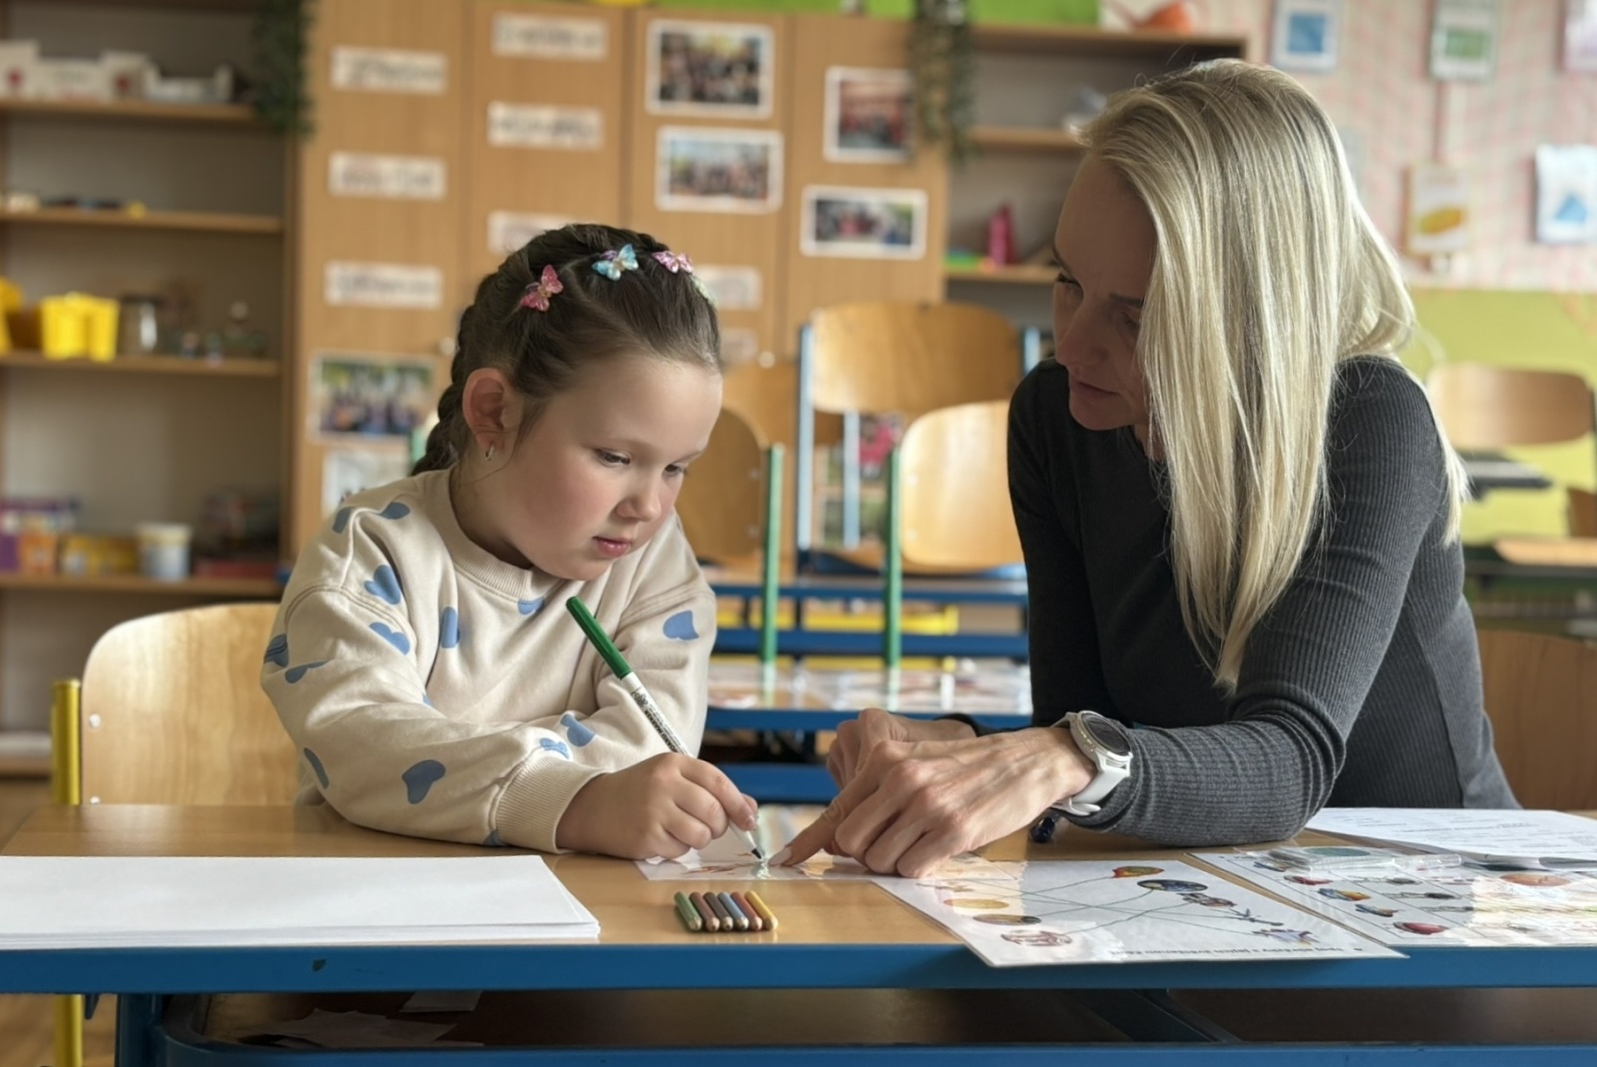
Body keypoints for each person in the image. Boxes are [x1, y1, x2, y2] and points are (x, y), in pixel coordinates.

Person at [780, 59, 1515, 878]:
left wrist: (1057, 757)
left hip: (1437, 903)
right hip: (1215, 890)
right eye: (1066, 282)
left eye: (1134, 318)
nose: (1071, 346)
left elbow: (1290, 761)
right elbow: (1082, 724)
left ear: (1251, 322)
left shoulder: (1369, 418)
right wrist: (962, 750)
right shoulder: (1056, 416)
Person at [263, 223, 759, 860]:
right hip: (379, 914)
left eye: (676, 467)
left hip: (582, 923)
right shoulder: (372, 553)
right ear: (495, 411)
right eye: (614, 456)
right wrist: (578, 801)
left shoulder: (653, 563)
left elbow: (652, 751)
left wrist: (469, 765)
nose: (648, 506)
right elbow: (367, 751)